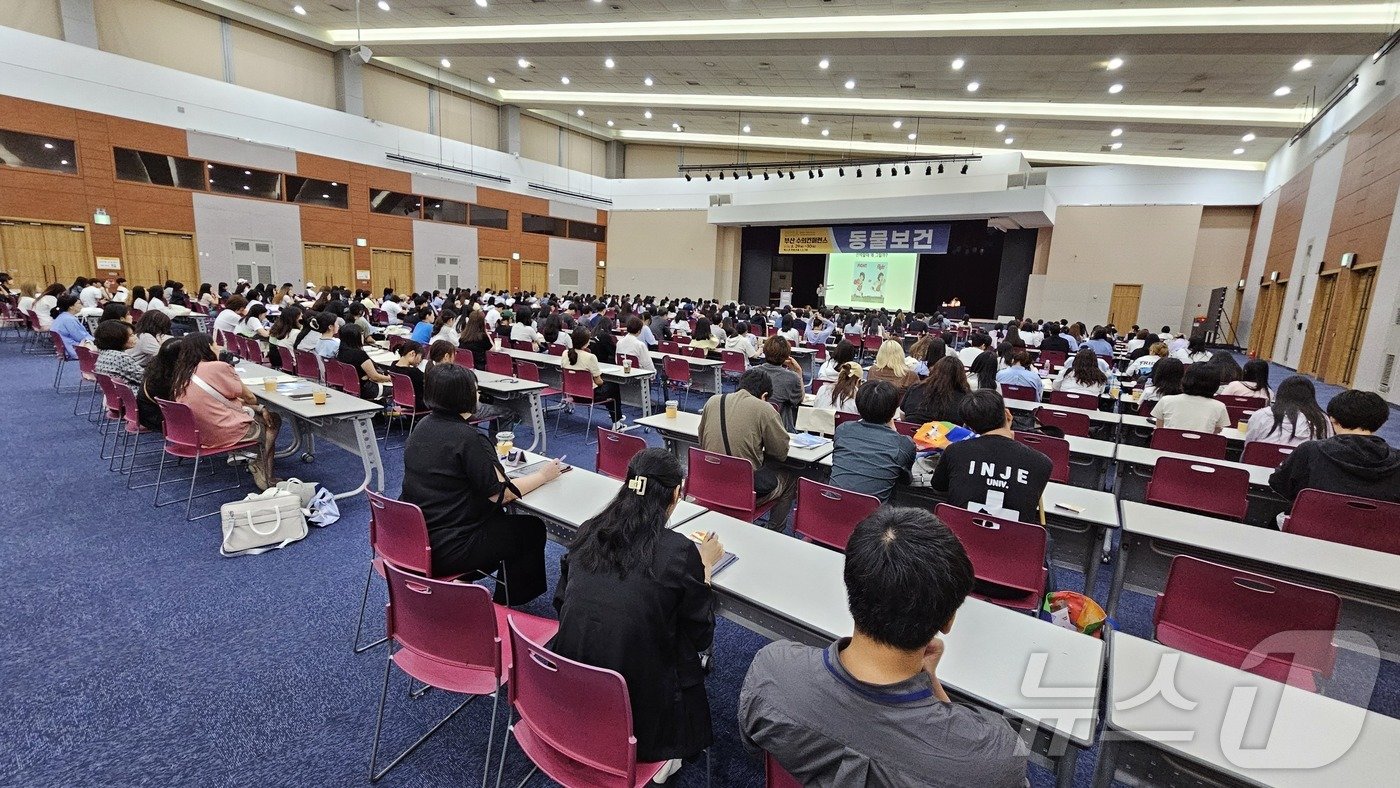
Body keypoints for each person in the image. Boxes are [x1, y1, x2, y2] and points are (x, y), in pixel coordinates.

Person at [740, 506, 1028, 787]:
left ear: (851, 589)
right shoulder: (994, 754)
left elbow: (753, 744)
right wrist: (932, 685)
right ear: (948, 620)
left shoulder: (771, 670)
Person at [551, 448, 720, 775]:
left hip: (571, 689)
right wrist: (705, 568)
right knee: (686, 645)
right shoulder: (679, 551)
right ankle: (667, 756)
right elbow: (701, 635)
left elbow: (561, 602)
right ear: (675, 494)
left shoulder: (589, 530)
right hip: (637, 712)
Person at [399, 363, 563, 604]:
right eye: (475, 390)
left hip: (416, 535)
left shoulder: (422, 427)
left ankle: (465, 581)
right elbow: (502, 495)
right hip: (449, 545)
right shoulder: (469, 438)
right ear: (463, 397)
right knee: (531, 529)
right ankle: (505, 604)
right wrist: (544, 475)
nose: (478, 395)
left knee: (501, 523)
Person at [169, 332, 281, 489]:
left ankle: (256, 461)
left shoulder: (182, 372)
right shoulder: (218, 367)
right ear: (208, 347)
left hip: (196, 433)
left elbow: (217, 400)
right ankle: (263, 471)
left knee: (261, 414)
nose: (218, 347)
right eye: (215, 344)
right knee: (273, 421)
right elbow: (250, 398)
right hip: (222, 432)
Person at [931, 390, 1054, 523]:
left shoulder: (954, 451)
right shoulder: (1042, 463)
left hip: (958, 535)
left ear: (969, 426)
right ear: (1007, 414)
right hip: (1014, 542)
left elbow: (939, 487)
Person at [698, 369, 797, 530]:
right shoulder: (765, 409)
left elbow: (702, 441)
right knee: (790, 480)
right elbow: (780, 453)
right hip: (741, 492)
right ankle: (774, 532)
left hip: (709, 484)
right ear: (764, 396)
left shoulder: (713, 401)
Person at [1269, 389, 1400, 504]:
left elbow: (1280, 485)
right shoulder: (1397, 459)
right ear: (1381, 423)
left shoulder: (1310, 451)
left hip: (1312, 526)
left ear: (1333, 420)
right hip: (1377, 531)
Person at [829, 381, 917, 503]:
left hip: (831, 507)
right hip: (874, 519)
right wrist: (895, 432)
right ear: (893, 412)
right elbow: (906, 480)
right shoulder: (904, 444)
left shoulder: (843, 429)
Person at [561, 326, 626, 430]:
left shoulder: (565, 353)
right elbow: (598, 381)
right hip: (588, 395)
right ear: (587, 341)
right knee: (613, 387)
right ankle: (617, 421)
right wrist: (603, 383)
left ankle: (617, 420)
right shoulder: (590, 357)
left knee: (609, 390)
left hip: (572, 393)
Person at [1245, 375, 1331, 447]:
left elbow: (1249, 445)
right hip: (1304, 466)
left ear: (1280, 394)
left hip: (1260, 464)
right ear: (1311, 397)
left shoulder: (1261, 415)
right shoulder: (1323, 419)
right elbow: (1327, 448)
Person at [1151, 365, 1229, 433]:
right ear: (1215, 384)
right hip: (1202, 448)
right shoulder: (1219, 406)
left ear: (1185, 379)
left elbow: (1159, 431)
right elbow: (1215, 433)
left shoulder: (1166, 400)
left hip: (1167, 447)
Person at [900, 355, 971, 425]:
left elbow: (903, 416)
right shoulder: (965, 398)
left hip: (911, 434)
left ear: (934, 370)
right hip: (946, 435)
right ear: (961, 376)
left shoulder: (915, 388)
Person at [754, 335, 805, 431]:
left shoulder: (752, 372)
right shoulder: (792, 377)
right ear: (787, 356)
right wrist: (799, 373)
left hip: (755, 427)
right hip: (781, 429)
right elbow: (799, 399)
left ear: (765, 352)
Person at [336, 325, 393, 400]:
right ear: (355, 337)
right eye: (362, 334)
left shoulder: (340, 352)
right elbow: (375, 377)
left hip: (349, 386)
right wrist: (389, 378)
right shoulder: (360, 355)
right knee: (398, 389)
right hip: (366, 389)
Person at [93, 319, 146, 387]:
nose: (135, 337)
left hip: (115, 394)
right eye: (131, 335)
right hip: (133, 394)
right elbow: (145, 379)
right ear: (118, 338)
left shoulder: (104, 353)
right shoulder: (120, 357)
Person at [50, 295, 93, 359]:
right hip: (74, 349)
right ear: (71, 307)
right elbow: (81, 337)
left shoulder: (62, 317)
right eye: (78, 303)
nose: (81, 305)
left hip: (68, 348)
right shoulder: (69, 319)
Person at [388, 340, 426, 410]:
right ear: (412, 353)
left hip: (400, 402)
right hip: (417, 404)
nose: (420, 361)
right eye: (421, 357)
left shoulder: (393, 366)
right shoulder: (413, 372)